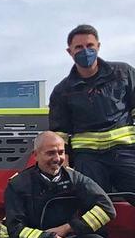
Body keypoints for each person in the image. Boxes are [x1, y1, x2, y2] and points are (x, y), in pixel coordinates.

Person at [1, 130, 116, 238]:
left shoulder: (75, 179)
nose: (57, 158)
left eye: (61, 152)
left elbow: (107, 209)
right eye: (50, 153)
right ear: (36, 155)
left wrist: (68, 228)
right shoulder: (18, 185)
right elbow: (15, 228)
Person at [49, 24, 135, 197]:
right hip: (88, 158)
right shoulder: (62, 91)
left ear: (98, 47)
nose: (85, 51)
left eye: (90, 46)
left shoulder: (123, 73)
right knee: (93, 207)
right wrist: (63, 162)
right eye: (79, 47)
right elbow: (60, 132)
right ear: (69, 51)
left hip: (124, 151)